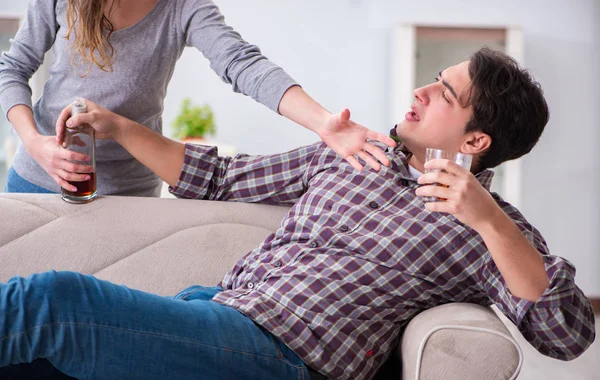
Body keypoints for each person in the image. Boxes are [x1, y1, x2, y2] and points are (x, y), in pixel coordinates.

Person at [0, 48, 595, 380]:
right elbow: (217, 178)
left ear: (475, 140)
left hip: (282, 362)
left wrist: (489, 219)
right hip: (218, 314)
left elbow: (565, 333)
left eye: (443, 91)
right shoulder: (349, 155)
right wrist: (120, 127)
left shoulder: (489, 229)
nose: (420, 90)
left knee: (53, 301)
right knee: (26, 358)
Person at [0, 0, 394, 196]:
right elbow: (12, 68)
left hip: (128, 193)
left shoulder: (184, 8)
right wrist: (34, 144)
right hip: (38, 177)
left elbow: (242, 64)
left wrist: (322, 122)